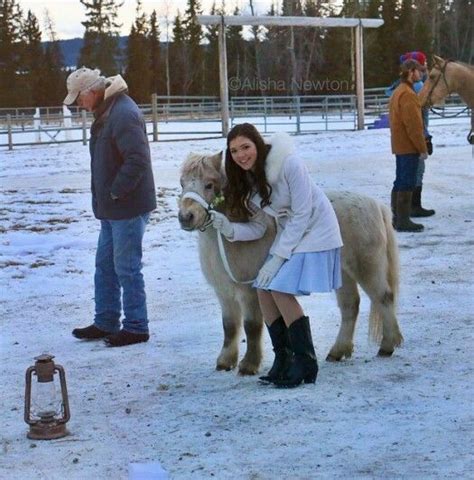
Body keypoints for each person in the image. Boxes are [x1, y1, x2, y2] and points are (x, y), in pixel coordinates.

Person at [210, 123, 343, 388]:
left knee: (280, 289)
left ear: (257, 144)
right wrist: (230, 229)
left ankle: (306, 362)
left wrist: (279, 257)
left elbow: (303, 213)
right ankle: (283, 358)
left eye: (246, 147)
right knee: (262, 288)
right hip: (291, 233)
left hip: (317, 229)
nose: (241, 155)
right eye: (234, 150)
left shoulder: (289, 163)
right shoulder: (250, 181)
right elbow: (259, 226)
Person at [63, 67, 156, 347]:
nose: (78, 104)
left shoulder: (123, 114)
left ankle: (137, 327)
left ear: (92, 91)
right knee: (105, 266)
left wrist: (116, 192)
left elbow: (137, 159)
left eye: (79, 98)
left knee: (126, 268)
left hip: (126, 207)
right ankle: (106, 321)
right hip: (112, 208)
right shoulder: (108, 111)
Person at [387, 51, 435, 218]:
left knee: (401, 179)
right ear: (411, 71)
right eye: (420, 70)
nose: (422, 73)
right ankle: (404, 217)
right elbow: (414, 125)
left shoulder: (400, 90)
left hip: (401, 143)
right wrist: (422, 146)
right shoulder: (409, 93)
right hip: (409, 145)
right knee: (408, 180)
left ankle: (397, 215)